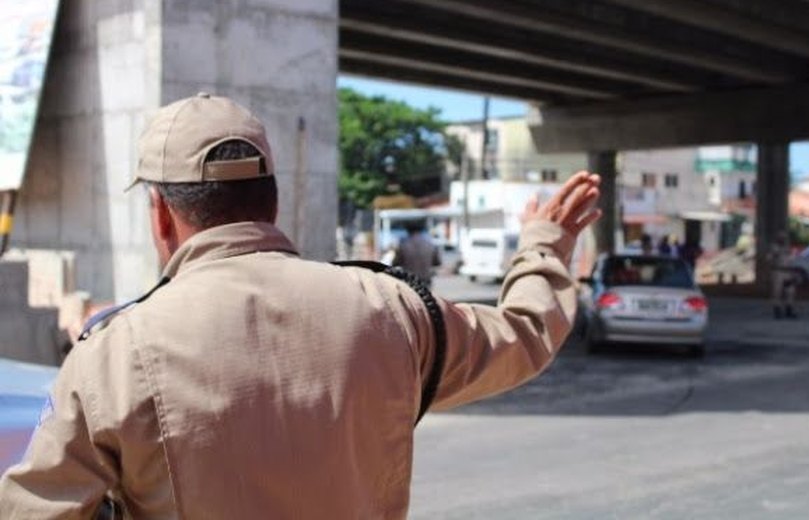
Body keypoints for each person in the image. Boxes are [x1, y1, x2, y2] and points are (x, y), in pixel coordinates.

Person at [0, 93, 602, 519]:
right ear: (274, 199)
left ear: (160, 214)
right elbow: (523, 335)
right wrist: (544, 245)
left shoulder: (113, 355)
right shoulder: (393, 309)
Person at [392, 220, 441, 287]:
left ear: (408, 231)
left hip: (409, 280)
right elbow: (437, 262)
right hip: (425, 279)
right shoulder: (430, 244)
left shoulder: (403, 245)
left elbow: (395, 263)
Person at [768, 231, 797, 319]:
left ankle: (789, 310)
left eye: (785, 237)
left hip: (788, 272)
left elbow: (790, 259)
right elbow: (769, 258)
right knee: (777, 292)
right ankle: (777, 311)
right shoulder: (774, 247)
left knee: (790, 292)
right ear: (778, 238)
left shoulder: (788, 247)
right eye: (782, 237)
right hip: (778, 272)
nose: (784, 239)